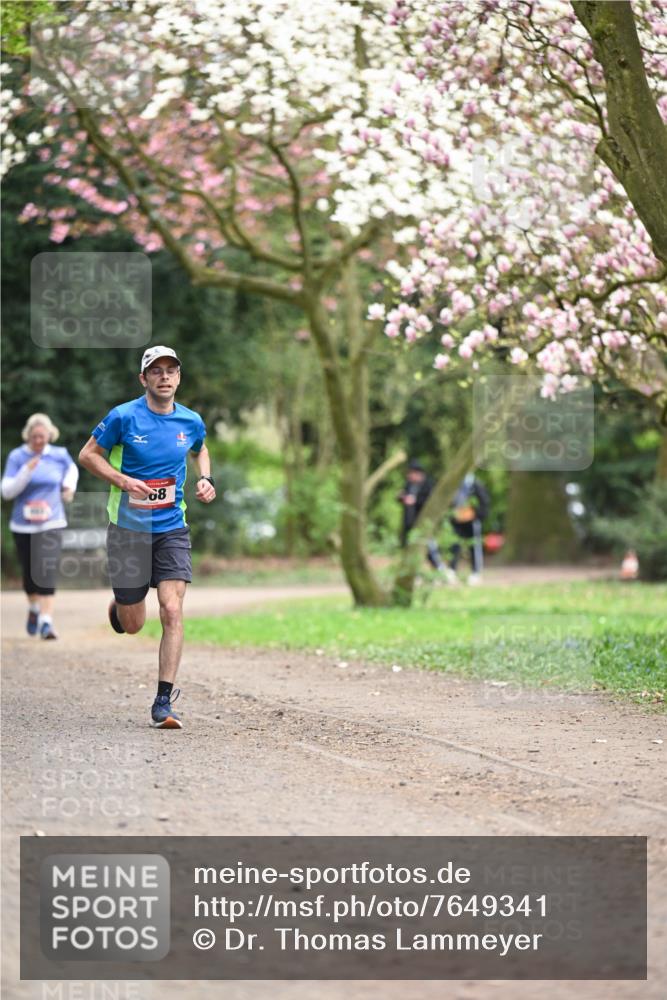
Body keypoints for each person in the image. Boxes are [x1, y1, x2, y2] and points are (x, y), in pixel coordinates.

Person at [79, 346, 216, 730]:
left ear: (179, 377)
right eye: (156, 371)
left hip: (172, 527)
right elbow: (87, 455)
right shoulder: (123, 417)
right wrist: (123, 481)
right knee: (135, 622)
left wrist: (205, 478)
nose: (164, 377)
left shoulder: (190, 420)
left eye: (171, 370)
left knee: (172, 609)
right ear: (144, 379)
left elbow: (200, 449)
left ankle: (163, 702)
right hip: (128, 531)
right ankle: (121, 607)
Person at [1, 413, 79, 639]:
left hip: (51, 521)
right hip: (22, 525)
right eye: (34, 437)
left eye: (42, 436)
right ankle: (34, 608)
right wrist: (26, 471)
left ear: (49, 435)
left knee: (46, 568)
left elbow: (72, 470)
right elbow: (6, 492)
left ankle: (46, 621)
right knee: (29, 574)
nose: (38, 441)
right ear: (28, 436)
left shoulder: (59, 455)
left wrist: (68, 487)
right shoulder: (17, 457)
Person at [397, 459, 447, 572]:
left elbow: (431, 502)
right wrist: (401, 497)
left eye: (411, 473)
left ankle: (439, 569)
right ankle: (410, 571)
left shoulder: (428, 485)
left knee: (429, 547)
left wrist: (415, 500)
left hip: (422, 521)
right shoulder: (409, 484)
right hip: (409, 522)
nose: (409, 476)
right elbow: (402, 496)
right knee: (408, 548)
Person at [447, 472, 490, 586]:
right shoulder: (455, 485)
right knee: (455, 545)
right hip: (457, 520)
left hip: (472, 521)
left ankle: (476, 572)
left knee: (474, 546)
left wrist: (476, 515)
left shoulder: (476, 485)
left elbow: (484, 503)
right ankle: (452, 570)